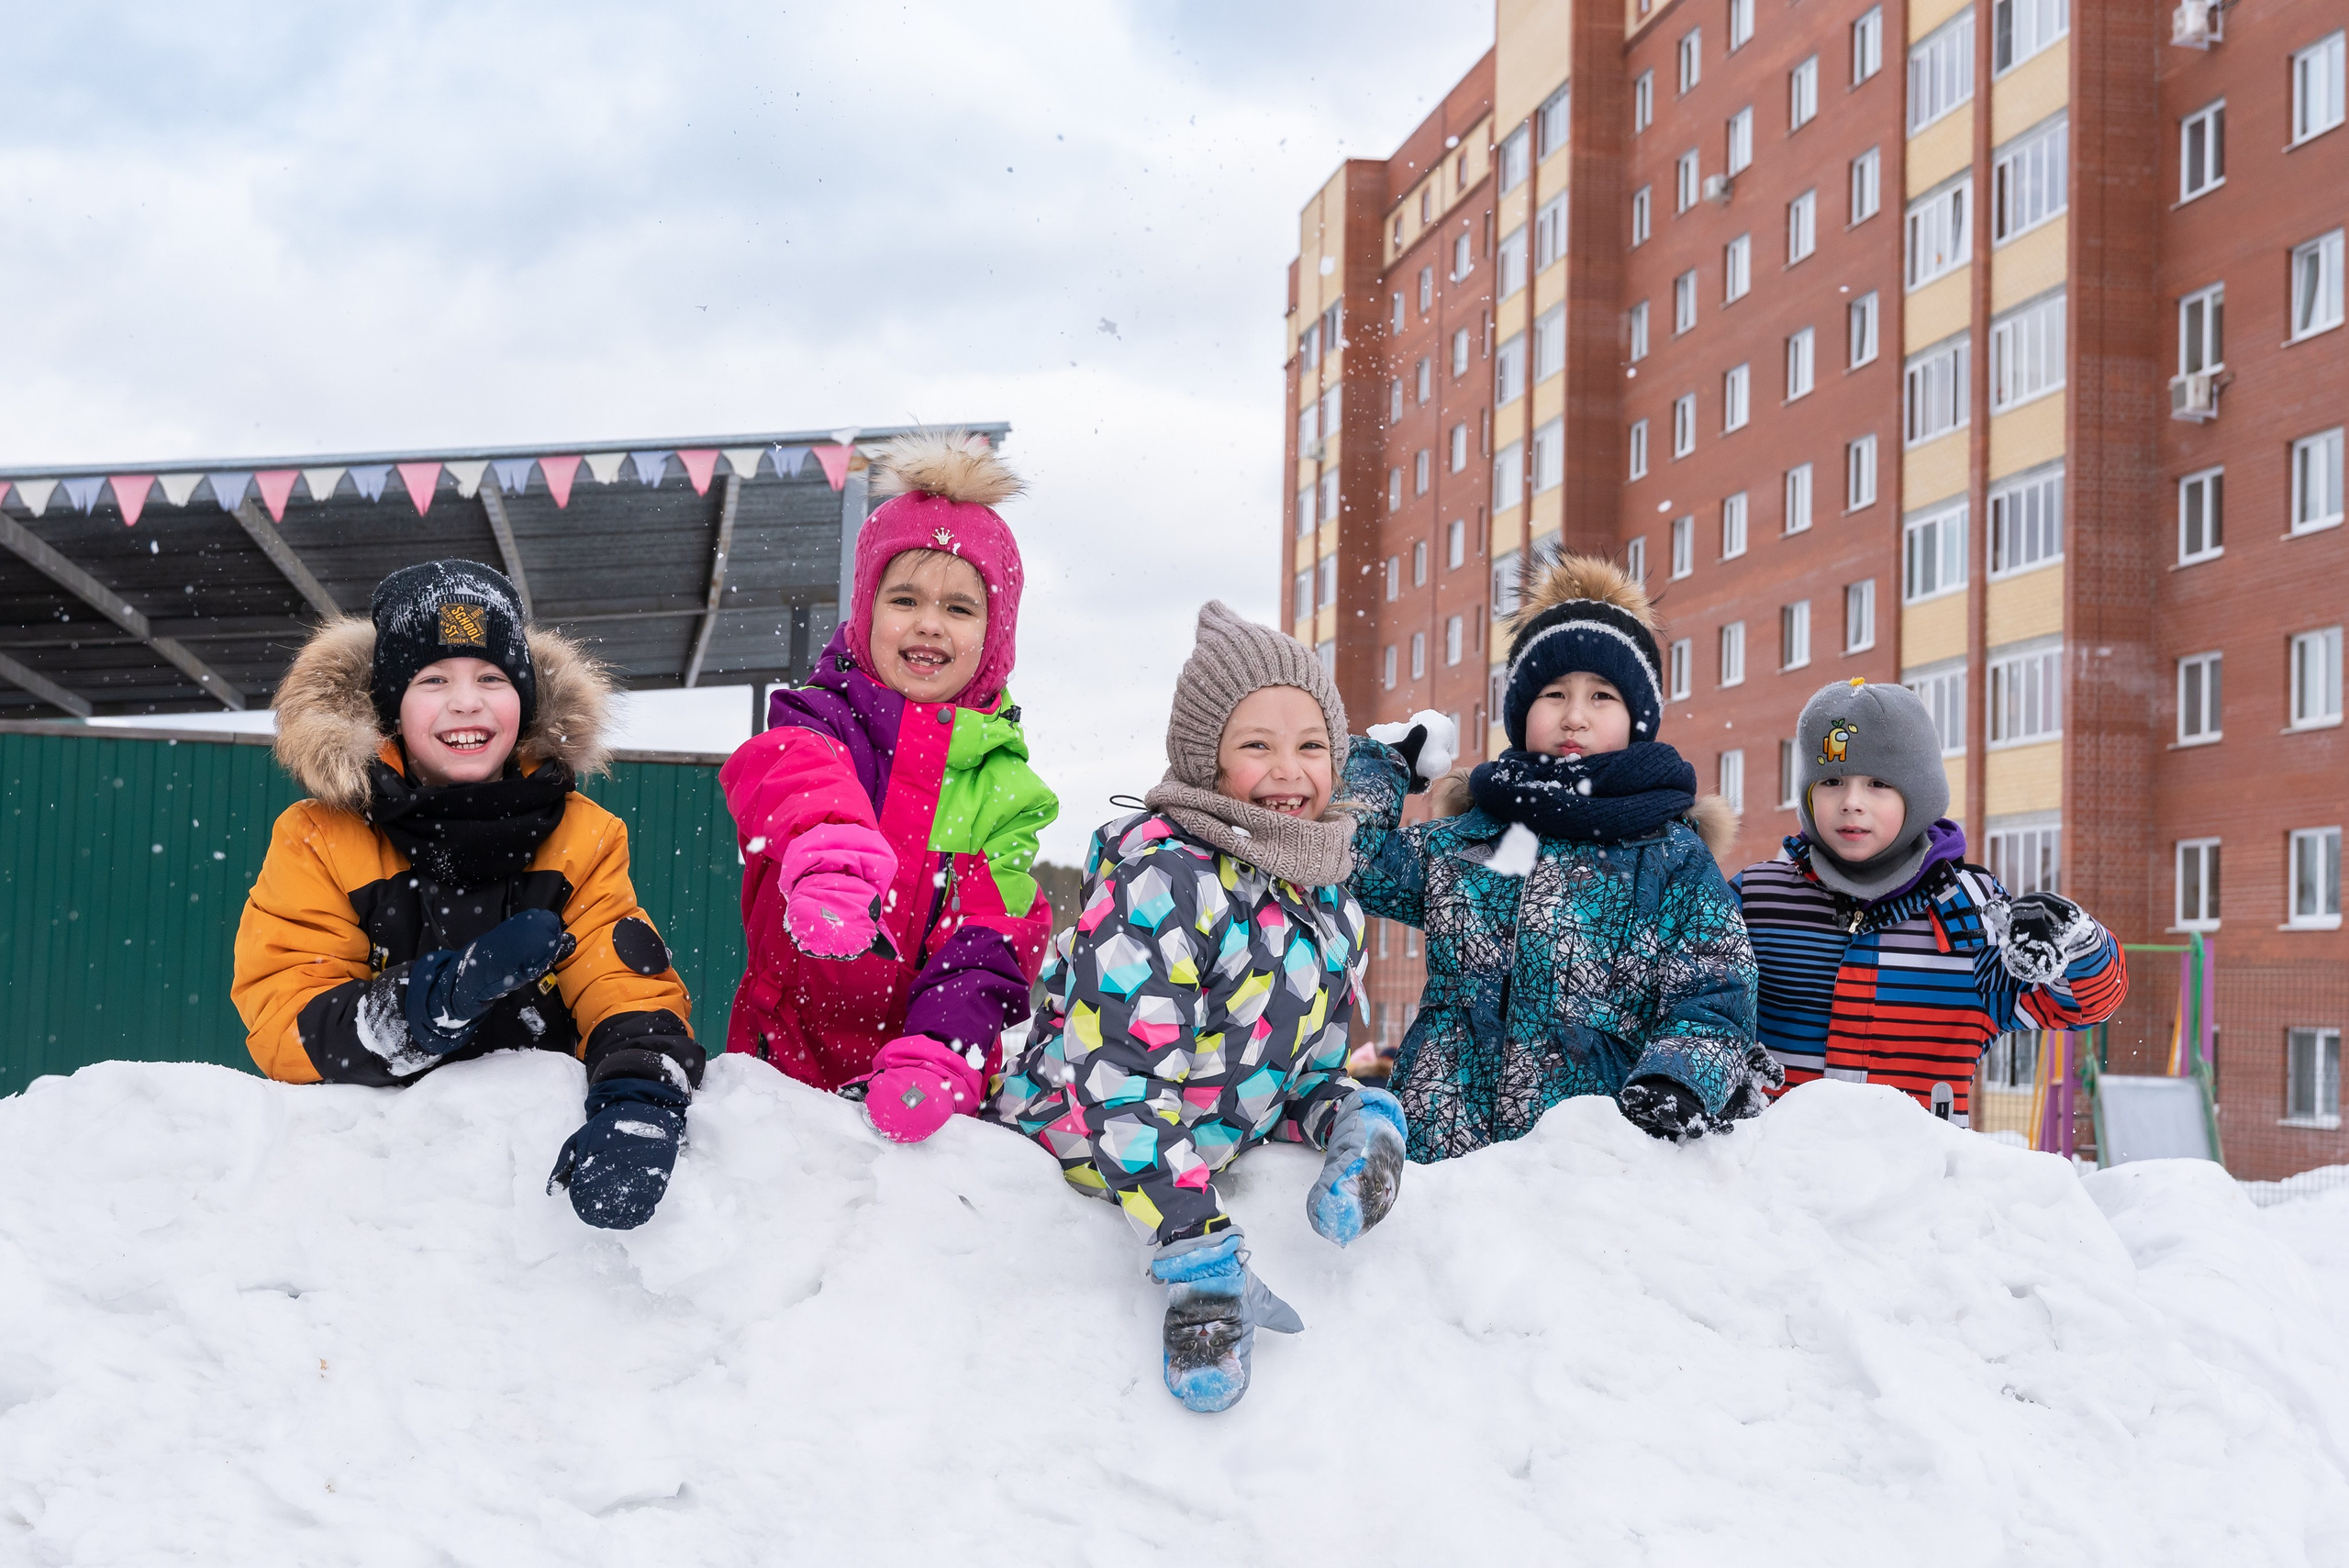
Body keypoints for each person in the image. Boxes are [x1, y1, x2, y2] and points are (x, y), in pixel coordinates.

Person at [988, 601, 1404, 1415]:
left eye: (1311, 745)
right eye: (1257, 745)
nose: (1290, 770)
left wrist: (1346, 1116)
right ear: (1205, 761)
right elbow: (1121, 1084)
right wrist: (1197, 1252)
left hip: (1198, 1137)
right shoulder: (1166, 885)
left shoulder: (1328, 902)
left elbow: (1290, 1077)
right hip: (1082, 1141)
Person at [233, 560, 701, 1230]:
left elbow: (625, 987)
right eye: (433, 680)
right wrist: (435, 1001)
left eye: (492, 677)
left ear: (527, 701)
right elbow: (284, 1019)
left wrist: (641, 1100)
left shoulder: (584, 837)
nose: (467, 701)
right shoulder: (319, 838)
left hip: (528, 1198)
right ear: (390, 703)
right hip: (366, 1201)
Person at [1345, 553, 1765, 1162]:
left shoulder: (1670, 855)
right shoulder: (1472, 839)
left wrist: (1677, 1079)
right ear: (1521, 710)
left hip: (1586, 1167)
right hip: (1445, 1152)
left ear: (1636, 717)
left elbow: (1718, 985)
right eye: (1553, 693)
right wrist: (1382, 767)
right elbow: (1356, 864)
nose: (1574, 715)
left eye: (1601, 695)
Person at [720, 432, 1056, 1142]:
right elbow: (779, 768)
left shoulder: (1007, 790)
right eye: (904, 598)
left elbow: (989, 940)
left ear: (995, 638)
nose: (928, 623)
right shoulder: (818, 718)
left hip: (921, 1098)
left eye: (961, 609)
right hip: (776, 1072)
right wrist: (830, 851)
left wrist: (941, 1050)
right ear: (866, 611)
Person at [1739, 676, 2127, 1123]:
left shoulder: (1972, 913)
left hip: (1918, 1184)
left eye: (1878, 783)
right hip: (1779, 1177)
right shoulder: (1758, 899)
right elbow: (1696, 1002)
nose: (1851, 802)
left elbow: (2083, 1004)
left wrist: (2076, 942)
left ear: (1919, 792)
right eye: (1831, 780)